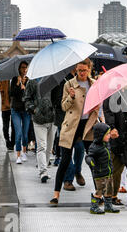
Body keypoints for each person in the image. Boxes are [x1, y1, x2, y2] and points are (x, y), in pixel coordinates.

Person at [50, 60, 100, 205]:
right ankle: (56, 195)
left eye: (84, 70)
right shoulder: (69, 84)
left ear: (89, 69)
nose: (81, 73)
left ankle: (99, 195)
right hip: (71, 125)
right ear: (75, 70)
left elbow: (98, 106)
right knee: (65, 160)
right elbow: (63, 107)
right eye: (79, 70)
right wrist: (71, 97)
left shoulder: (94, 85)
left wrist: (97, 107)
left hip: (88, 125)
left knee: (93, 160)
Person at [51, 69, 86, 190]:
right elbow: (56, 101)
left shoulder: (82, 82)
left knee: (80, 148)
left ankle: (77, 171)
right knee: (66, 153)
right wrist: (70, 97)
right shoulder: (60, 81)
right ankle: (68, 179)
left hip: (78, 121)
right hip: (64, 121)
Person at [24, 77, 58, 183]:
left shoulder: (54, 79)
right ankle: (43, 171)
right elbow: (26, 98)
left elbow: (58, 97)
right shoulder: (32, 81)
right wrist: (34, 109)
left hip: (53, 118)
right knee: (41, 146)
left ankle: (45, 168)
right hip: (39, 119)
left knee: (49, 147)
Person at [86, 123, 120, 215]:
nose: (109, 135)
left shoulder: (106, 144)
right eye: (107, 134)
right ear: (101, 135)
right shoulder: (95, 147)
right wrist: (90, 161)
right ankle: (94, 206)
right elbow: (89, 156)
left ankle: (108, 206)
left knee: (109, 190)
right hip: (100, 173)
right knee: (99, 190)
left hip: (108, 172)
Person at [10, 61, 31, 164]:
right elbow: (12, 93)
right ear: (19, 69)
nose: (24, 69)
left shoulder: (29, 80)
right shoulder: (15, 79)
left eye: (26, 68)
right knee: (18, 133)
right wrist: (18, 84)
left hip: (26, 110)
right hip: (16, 110)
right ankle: (18, 155)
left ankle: (24, 151)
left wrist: (25, 88)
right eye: (22, 67)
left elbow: (31, 95)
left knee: (25, 134)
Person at [0, 79, 15, 151]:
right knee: (5, 126)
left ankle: (13, 143)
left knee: (14, 126)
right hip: (5, 106)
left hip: (14, 106)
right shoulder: (2, 79)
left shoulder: (16, 79)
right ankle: (7, 140)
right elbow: (0, 91)